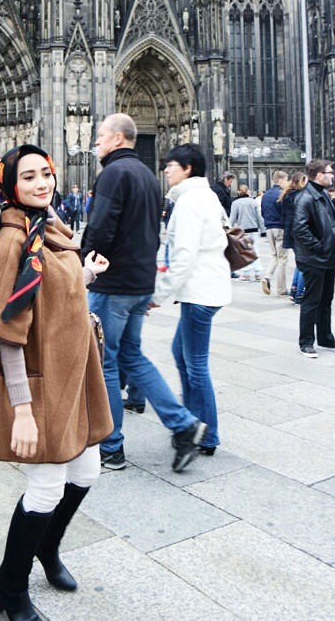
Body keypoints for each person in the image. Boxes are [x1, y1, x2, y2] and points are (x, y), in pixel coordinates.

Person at [0, 144, 113, 621]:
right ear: (10, 186)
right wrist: (23, 411)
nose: (42, 182)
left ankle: (46, 549)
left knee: (86, 472)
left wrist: (85, 273)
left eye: (46, 173)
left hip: (74, 377)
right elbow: (5, 331)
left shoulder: (49, 227)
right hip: (39, 385)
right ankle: (10, 586)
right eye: (29, 176)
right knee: (48, 486)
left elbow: (49, 292)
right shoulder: (13, 241)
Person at [81, 113, 207, 473]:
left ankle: (111, 447)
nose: (96, 142)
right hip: (139, 282)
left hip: (113, 283)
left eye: (101, 136)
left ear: (118, 138)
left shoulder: (113, 173)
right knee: (131, 355)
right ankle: (184, 424)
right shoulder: (149, 177)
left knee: (105, 362)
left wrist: (83, 265)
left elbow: (100, 228)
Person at [151, 144, 232, 456]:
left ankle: (205, 434)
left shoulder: (188, 202)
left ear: (187, 169)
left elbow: (183, 257)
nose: (165, 170)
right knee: (181, 353)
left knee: (196, 365)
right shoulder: (206, 195)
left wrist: (158, 295)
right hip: (210, 287)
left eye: (170, 165)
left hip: (200, 291)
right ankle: (191, 421)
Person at [293, 159, 335, 358]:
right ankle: (306, 342)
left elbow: (332, 225)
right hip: (314, 258)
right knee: (312, 300)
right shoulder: (305, 197)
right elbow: (300, 229)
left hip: (327, 257)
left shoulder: (322, 194)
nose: (332, 175)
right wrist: (320, 247)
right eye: (329, 172)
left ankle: (325, 337)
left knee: (326, 299)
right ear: (319, 175)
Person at [279, 172, 307, 303]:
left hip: (290, 231)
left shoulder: (287, 195)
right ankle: (300, 293)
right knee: (305, 263)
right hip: (300, 232)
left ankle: (294, 290)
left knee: (300, 261)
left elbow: (283, 216)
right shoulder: (301, 196)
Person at [261, 170, 289, 296]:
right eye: (286, 179)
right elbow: (285, 212)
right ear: (281, 180)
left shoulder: (266, 194)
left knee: (274, 255)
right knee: (282, 259)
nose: (287, 182)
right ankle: (281, 289)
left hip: (269, 227)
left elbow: (263, 212)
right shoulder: (282, 194)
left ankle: (267, 277)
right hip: (280, 227)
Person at [229, 184, 265, 281]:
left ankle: (246, 273)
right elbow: (259, 217)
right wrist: (263, 230)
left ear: (239, 192)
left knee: (244, 251)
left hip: (243, 231)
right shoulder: (253, 202)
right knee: (255, 250)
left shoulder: (236, 203)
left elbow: (232, 218)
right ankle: (258, 273)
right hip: (254, 229)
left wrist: (229, 229)